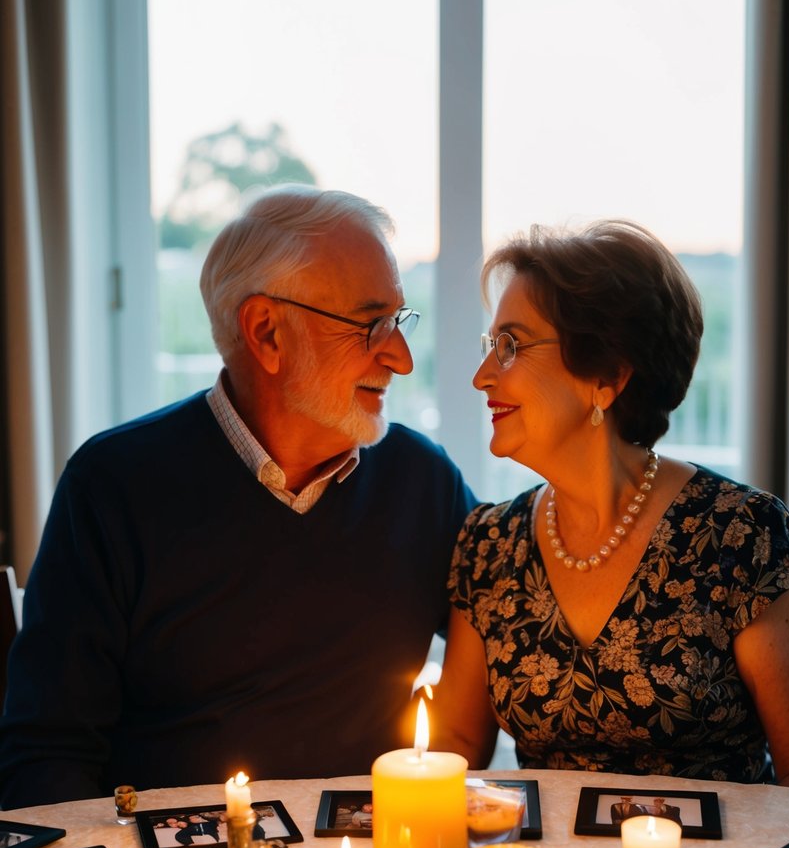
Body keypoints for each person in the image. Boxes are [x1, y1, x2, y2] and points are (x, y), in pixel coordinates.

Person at [0, 186, 476, 807]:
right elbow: (45, 758)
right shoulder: (112, 486)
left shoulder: (424, 481)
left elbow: (513, 637)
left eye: (399, 320)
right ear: (266, 332)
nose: (402, 358)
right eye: (370, 324)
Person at [435, 219, 789, 790]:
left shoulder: (743, 535)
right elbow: (455, 747)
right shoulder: (489, 543)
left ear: (607, 377)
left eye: (511, 346)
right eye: (490, 346)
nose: (481, 376)